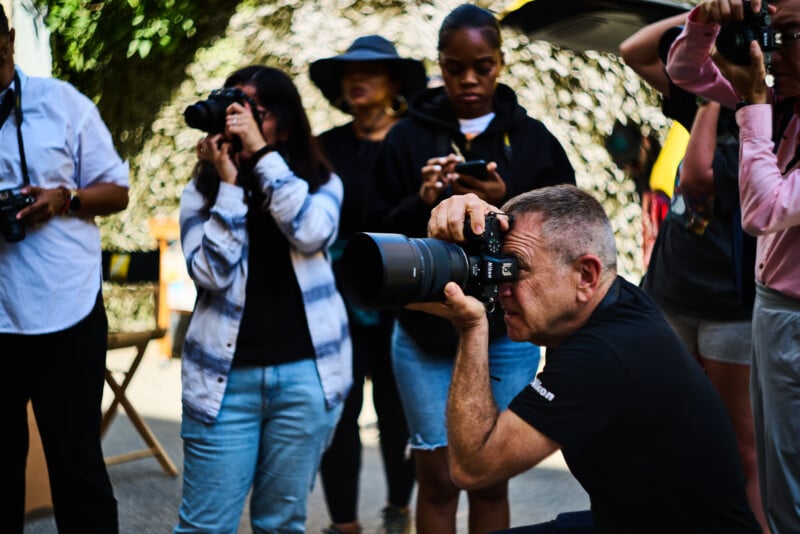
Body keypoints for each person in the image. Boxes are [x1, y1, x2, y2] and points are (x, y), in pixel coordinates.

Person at [412, 186, 762, 533]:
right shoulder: (613, 302)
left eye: (515, 270)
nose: (501, 286)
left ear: (586, 275)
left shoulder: (607, 353)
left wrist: (471, 326)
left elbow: (473, 468)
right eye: (499, 265)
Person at [363, 5, 575, 533]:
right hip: (424, 329)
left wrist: (512, 200)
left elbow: (567, 228)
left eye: (482, 66)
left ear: (500, 62)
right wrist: (423, 199)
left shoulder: (531, 137)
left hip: (506, 330)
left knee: (486, 478)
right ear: (440, 64)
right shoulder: (407, 136)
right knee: (435, 478)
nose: (469, 80)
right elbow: (370, 236)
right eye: (455, 68)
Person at [174, 65, 351, 533]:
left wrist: (262, 155)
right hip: (223, 382)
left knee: (281, 525)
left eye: (254, 111)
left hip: (304, 379)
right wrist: (230, 185)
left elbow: (311, 233)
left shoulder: (321, 184)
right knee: (204, 527)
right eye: (233, 107)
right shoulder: (201, 191)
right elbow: (209, 274)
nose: (237, 119)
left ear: (285, 123)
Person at [620, 13, 766, 530]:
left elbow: (698, 177)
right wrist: (707, 13)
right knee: (665, 429)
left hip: (731, 307)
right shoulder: (707, 93)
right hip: (672, 291)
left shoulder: (766, 119)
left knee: (742, 452)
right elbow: (634, 49)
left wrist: (710, 95)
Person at [666, 1, 800, 531]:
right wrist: (708, 20)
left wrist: (750, 103)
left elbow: (764, 210)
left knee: (789, 484)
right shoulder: (785, 96)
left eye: (788, 36)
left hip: (792, 315)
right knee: (776, 471)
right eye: (770, 34)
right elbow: (685, 73)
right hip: (772, 307)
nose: (770, 53)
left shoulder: (768, 100)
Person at [0, 5, 130, 532]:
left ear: (7, 39)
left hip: (66, 310)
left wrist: (64, 199)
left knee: (76, 463)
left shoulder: (62, 102)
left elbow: (117, 191)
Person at [310, 35, 426, 534]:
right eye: (348, 72)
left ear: (395, 82)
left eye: (371, 71)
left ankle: (399, 509)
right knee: (339, 410)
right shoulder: (325, 148)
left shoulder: (418, 142)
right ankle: (344, 524)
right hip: (337, 301)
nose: (356, 80)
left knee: (399, 412)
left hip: (405, 299)